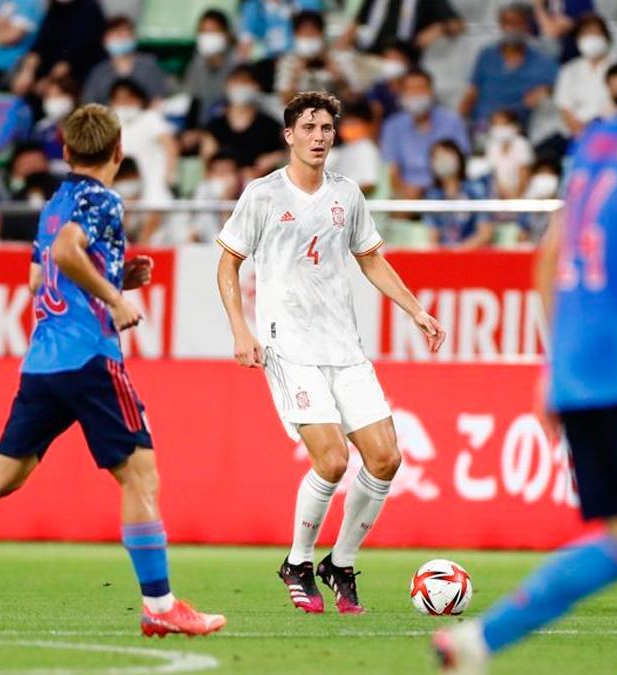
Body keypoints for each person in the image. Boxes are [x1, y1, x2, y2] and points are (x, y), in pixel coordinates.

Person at [433, 7, 617, 673]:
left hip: (576, 364)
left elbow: (547, 258)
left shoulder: (597, 138)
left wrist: (552, 365)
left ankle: (477, 642)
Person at [0, 103, 228, 639]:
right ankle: (160, 604)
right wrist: (114, 296)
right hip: (90, 358)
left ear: (64, 152)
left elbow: (42, 279)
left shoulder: (56, 202)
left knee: (0, 476)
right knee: (140, 476)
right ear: (118, 152)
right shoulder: (103, 199)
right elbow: (65, 254)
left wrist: (117, 275)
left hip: (44, 362)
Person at [215, 90, 445, 616]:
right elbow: (227, 264)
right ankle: (298, 561)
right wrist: (240, 330)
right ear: (289, 135)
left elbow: (372, 259)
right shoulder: (263, 195)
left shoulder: (347, 195)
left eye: (326, 129)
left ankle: (339, 563)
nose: (319, 137)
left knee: (386, 457)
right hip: (288, 346)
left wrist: (416, 310)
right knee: (333, 458)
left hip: (343, 344)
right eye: (310, 128)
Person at [460, 2, 558, 128]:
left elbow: (560, 84)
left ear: (526, 26)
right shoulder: (487, 56)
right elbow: (472, 92)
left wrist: (547, 91)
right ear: (501, 25)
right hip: (484, 125)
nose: (513, 29)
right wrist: (457, 120)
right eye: (508, 23)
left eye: (518, 23)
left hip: (519, 126)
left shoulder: (541, 59)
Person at [380, 68, 470, 198]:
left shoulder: (452, 121)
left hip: (445, 191)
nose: (415, 94)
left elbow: (461, 166)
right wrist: (407, 197)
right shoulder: (392, 126)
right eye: (410, 89)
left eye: (420, 89)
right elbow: (392, 172)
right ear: (402, 93)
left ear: (431, 92)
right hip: (409, 196)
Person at [110, 78, 175, 244]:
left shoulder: (150, 119)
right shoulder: (113, 125)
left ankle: (142, 247)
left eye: (128, 98)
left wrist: (169, 173)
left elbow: (170, 145)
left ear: (139, 99)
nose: (123, 104)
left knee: (156, 205)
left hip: (153, 181)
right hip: (125, 183)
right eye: (119, 99)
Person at [202, 65, 286, 181]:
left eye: (245, 82)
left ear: (257, 87)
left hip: (260, 183)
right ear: (227, 85)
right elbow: (207, 161)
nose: (240, 87)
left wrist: (274, 158)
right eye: (236, 82)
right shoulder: (215, 126)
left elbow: (289, 151)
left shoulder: (270, 125)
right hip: (223, 184)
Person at [12, 0, 105, 99]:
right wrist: (27, 73)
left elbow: (72, 57)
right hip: (48, 76)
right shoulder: (54, 9)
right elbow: (39, 46)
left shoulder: (90, 9)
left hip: (76, 81)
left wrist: (49, 82)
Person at [81, 15, 171, 106]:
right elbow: (89, 104)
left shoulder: (148, 65)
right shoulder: (99, 72)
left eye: (126, 34)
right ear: (105, 39)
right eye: (118, 34)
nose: (122, 38)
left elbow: (159, 99)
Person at [275, 11, 360, 103]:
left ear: (321, 34)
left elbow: (353, 99)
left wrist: (339, 79)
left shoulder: (338, 58)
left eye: (312, 32)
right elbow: (285, 99)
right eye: (304, 32)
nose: (308, 36)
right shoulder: (288, 62)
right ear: (295, 35)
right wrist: (296, 76)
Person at [423, 139, 493, 247]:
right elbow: (433, 238)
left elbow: (485, 233)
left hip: (473, 255)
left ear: (458, 157)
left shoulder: (476, 190)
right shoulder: (433, 196)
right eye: (437, 156)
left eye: (446, 154)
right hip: (444, 259)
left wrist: (460, 252)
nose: (443, 160)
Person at [554, 13, 613, 136]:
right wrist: (580, 133)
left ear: (606, 38)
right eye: (586, 34)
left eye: (595, 33)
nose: (591, 38)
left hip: (609, 133)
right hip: (574, 134)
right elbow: (564, 108)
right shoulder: (569, 70)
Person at [181, 9, 240, 128]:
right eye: (203, 31)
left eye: (213, 31)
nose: (208, 37)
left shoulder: (238, 64)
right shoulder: (197, 64)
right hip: (200, 129)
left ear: (226, 34)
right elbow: (192, 99)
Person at [337, 0, 462, 54]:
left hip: (405, 57)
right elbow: (357, 22)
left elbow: (457, 24)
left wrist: (439, 27)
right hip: (369, 54)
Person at [327, 103, 382, 194]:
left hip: (359, 204)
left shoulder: (365, 147)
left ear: (365, 125)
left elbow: (368, 185)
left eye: (354, 124)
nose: (348, 127)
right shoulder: (341, 150)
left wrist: (343, 197)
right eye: (345, 123)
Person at [485, 108, 533, 199]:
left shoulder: (521, 144)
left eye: (503, 124)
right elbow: (494, 175)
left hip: (520, 195)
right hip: (498, 195)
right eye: (496, 124)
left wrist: (515, 199)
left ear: (514, 126)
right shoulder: (492, 146)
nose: (499, 128)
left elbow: (524, 176)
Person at [34, 75, 78, 174]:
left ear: (71, 97)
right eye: (49, 96)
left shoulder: (85, 126)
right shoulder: (42, 128)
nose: (53, 101)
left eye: (58, 95)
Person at [364, 41, 416, 122]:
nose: (391, 63)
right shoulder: (377, 89)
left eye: (395, 58)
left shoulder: (415, 84)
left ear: (407, 61)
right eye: (387, 59)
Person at [531, 0, 596, 62]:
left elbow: (553, 32)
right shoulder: (545, 5)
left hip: (575, 58)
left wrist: (538, 7)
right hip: (547, 61)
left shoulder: (579, 2)